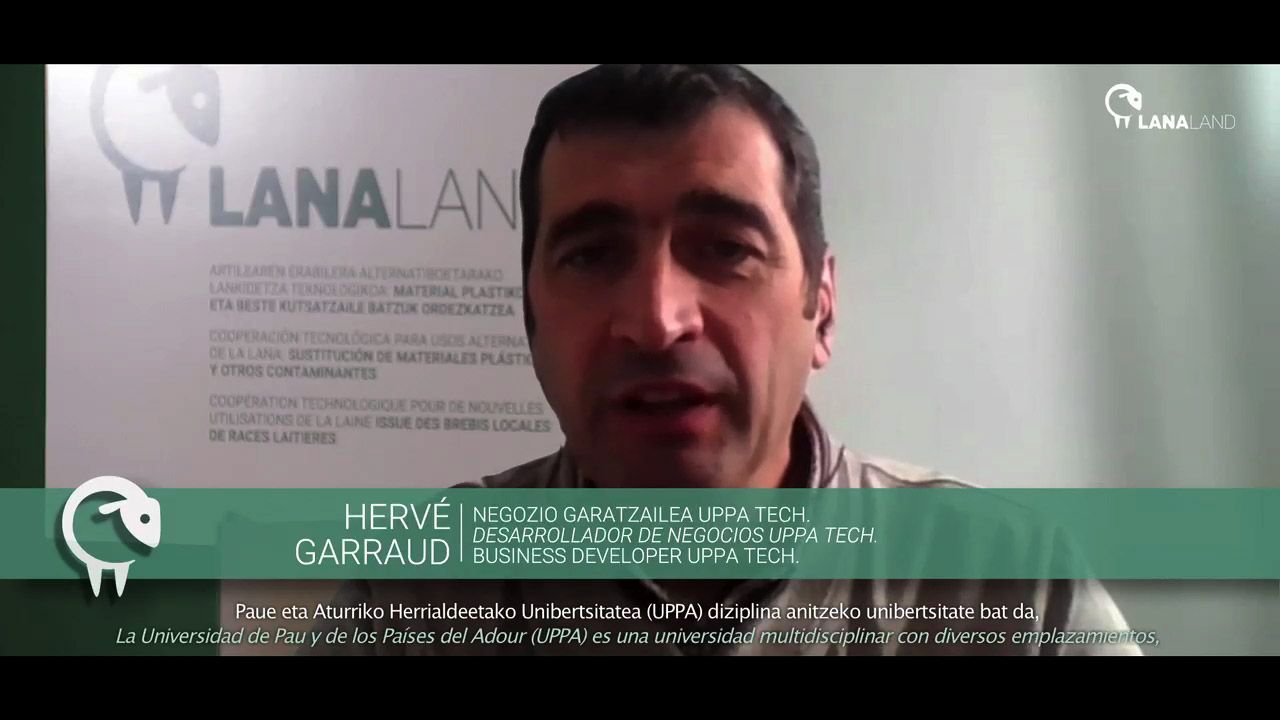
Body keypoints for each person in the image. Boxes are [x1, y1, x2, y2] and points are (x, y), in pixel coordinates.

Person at [304, 64, 1140, 656]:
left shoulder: (1013, 591)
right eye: (592, 255)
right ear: (529, 317)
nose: (656, 321)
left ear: (822, 306)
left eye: (726, 249)